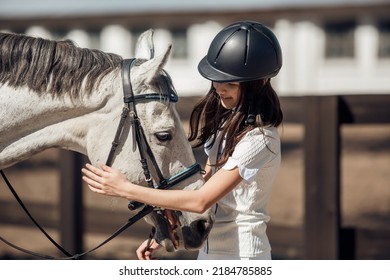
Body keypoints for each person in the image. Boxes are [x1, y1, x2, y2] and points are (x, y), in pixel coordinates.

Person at [81, 20, 283, 260]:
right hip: (209, 253)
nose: (219, 88)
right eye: (216, 79)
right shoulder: (226, 129)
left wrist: (126, 189)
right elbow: (201, 186)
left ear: (259, 83)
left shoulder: (261, 140)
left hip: (244, 257)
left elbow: (201, 201)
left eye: (230, 83)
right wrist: (163, 231)